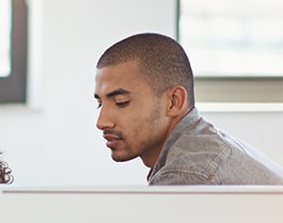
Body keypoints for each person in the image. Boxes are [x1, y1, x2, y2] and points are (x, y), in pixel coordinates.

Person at [94, 32, 283, 185]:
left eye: (121, 102)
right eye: (100, 104)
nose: (102, 122)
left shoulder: (188, 174)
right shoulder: (202, 148)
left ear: (174, 102)